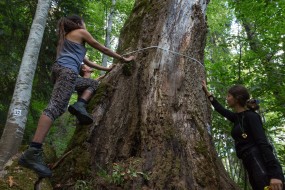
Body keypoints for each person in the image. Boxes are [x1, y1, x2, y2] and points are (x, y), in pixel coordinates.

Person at [18, 15, 134, 177]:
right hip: (67, 72)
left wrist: (107, 70)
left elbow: (88, 63)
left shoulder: (68, 40)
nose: (84, 25)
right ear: (79, 23)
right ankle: (33, 151)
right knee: (55, 107)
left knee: (92, 84)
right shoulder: (80, 32)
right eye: (83, 23)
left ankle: (80, 104)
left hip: (64, 73)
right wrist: (122, 58)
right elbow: (100, 46)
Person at [202, 81, 284, 190]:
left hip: (259, 162)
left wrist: (275, 175)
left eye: (229, 96)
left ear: (237, 98)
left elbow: (263, 143)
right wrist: (208, 94)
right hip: (249, 162)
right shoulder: (237, 117)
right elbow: (220, 109)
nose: (227, 98)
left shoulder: (251, 117)